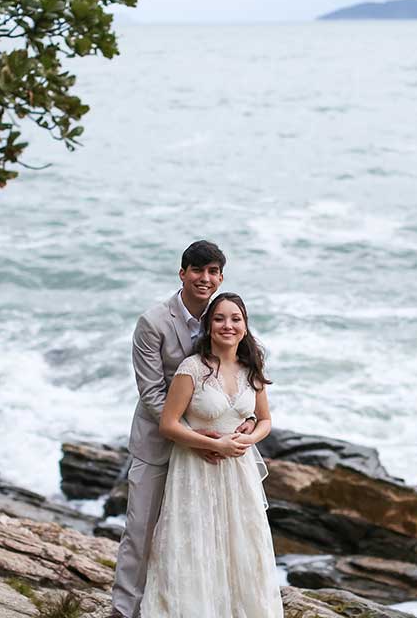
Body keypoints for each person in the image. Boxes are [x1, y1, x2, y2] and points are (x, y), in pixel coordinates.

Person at [112, 241, 256, 618]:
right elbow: (150, 393)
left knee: (201, 535)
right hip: (159, 443)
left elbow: (242, 373)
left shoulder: (223, 317)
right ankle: (124, 610)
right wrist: (196, 435)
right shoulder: (153, 322)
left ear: (220, 277)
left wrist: (247, 419)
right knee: (141, 530)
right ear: (182, 274)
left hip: (214, 450)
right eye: (197, 270)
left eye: (212, 272)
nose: (204, 279)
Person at [139, 293, 283, 617]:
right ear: (208, 326)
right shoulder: (192, 368)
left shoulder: (252, 368)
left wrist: (248, 439)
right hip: (195, 469)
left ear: (245, 326)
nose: (227, 325)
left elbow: (265, 420)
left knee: (242, 547)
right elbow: (168, 424)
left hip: (239, 472)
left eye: (236, 319)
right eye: (219, 318)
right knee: (195, 546)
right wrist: (214, 445)